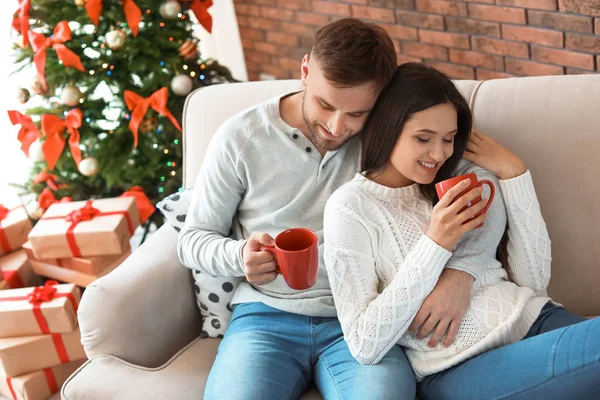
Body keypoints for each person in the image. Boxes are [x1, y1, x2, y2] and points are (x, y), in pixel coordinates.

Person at [323, 62, 600, 399]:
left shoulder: (464, 180)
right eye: (423, 138)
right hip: (459, 364)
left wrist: (515, 175)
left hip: (537, 320)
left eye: (449, 139)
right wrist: (435, 243)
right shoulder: (350, 208)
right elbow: (365, 344)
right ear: (387, 127)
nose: (439, 153)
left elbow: (534, 281)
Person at [178, 18, 411, 399]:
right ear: (305, 71)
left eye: (357, 113)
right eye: (325, 104)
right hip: (263, 318)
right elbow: (192, 240)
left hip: (362, 318)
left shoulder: (389, 138)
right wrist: (240, 256)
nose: (337, 127)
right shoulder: (240, 137)